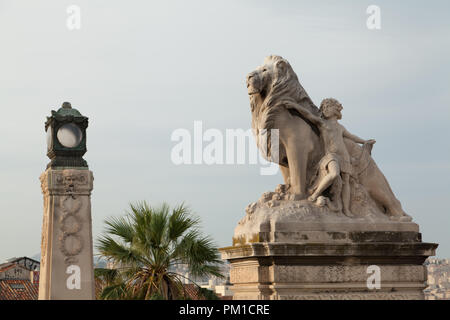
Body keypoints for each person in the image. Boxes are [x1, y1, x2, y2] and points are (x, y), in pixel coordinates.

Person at [294, 98, 375, 217]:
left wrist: (364, 141)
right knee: (333, 173)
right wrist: (294, 106)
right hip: (331, 155)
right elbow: (308, 115)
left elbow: (352, 136)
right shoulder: (322, 123)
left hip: (344, 156)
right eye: (323, 108)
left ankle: (346, 209)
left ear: (335, 110)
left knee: (345, 183)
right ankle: (315, 194)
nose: (325, 109)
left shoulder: (340, 127)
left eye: (328, 107)